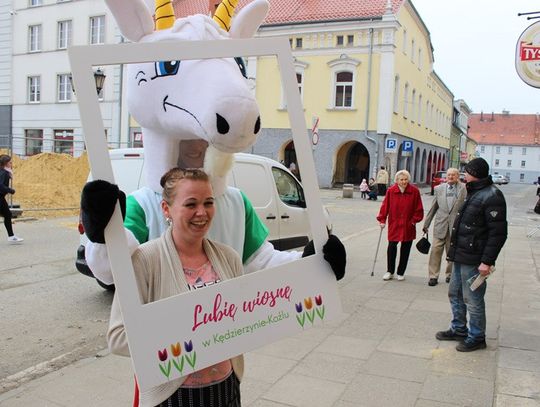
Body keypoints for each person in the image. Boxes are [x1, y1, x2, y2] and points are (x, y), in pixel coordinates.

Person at [108, 168, 244, 406]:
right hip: (172, 395)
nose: (202, 212)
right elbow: (118, 337)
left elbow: (243, 319)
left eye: (208, 202)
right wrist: (192, 334)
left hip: (226, 388)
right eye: (191, 204)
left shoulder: (229, 257)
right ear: (166, 208)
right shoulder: (144, 260)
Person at [436, 157, 507, 352]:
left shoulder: (492, 196)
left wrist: (487, 261)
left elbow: (498, 234)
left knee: (473, 298)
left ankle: (477, 336)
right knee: (455, 293)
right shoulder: (473, 191)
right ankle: (459, 328)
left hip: (475, 258)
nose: (463, 174)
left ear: (474, 173)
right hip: (461, 254)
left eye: (466, 171)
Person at [377, 170, 423, 281]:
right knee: (392, 247)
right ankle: (390, 271)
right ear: (397, 180)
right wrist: (382, 219)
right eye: (401, 179)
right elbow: (385, 206)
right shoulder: (391, 191)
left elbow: (419, 208)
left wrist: (414, 220)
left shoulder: (414, 191)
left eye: (406, 179)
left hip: (408, 224)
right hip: (395, 223)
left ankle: (401, 272)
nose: (404, 182)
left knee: (405, 249)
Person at [422, 168, 466, 286]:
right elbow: (433, 208)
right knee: (435, 251)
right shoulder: (439, 189)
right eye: (449, 175)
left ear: (458, 176)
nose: (450, 177)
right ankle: (433, 276)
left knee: (451, 252)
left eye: (453, 175)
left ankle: (450, 275)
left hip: (455, 226)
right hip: (440, 225)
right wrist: (426, 224)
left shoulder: (464, 189)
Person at [0, 155, 23, 244]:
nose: (11, 164)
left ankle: (11, 236)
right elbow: (0, 186)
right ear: (6, 164)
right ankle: (11, 236)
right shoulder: (4, 173)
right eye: (10, 162)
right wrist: (10, 190)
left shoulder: (4, 172)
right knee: (7, 214)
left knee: (7, 214)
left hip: (1, 198)